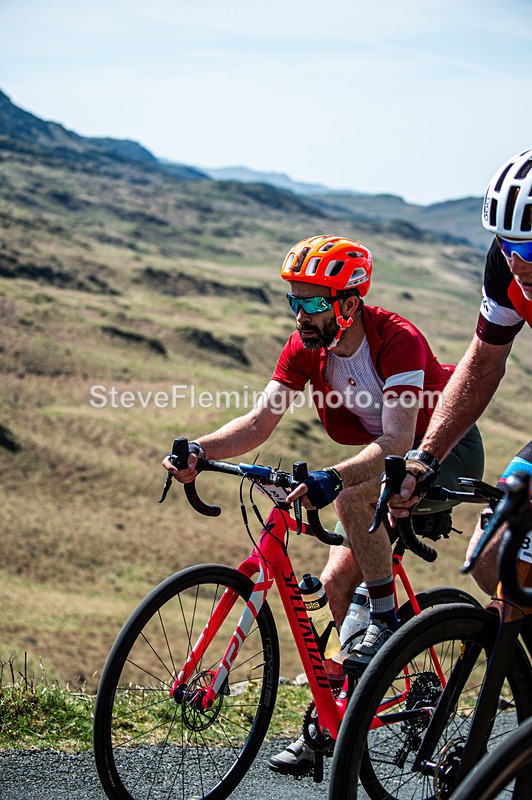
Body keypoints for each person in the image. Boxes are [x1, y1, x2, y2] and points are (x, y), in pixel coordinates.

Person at [162, 234, 484, 774]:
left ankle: (385, 617)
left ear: (350, 303)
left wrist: (334, 478)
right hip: (384, 456)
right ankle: (341, 718)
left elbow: (400, 443)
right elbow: (259, 423)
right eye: (294, 300)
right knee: (335, 584)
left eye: (312, 301)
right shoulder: (305, 348)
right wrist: (199, 448)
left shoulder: (396, 339)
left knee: (355, 494)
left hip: (442, 450)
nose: (300, 314)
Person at [389, 148, 532, 596]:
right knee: (494, 560)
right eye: (507, 245)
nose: (516, 262)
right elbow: (482, 364)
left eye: (529, 247)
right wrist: (425, 458)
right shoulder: (507, 267)